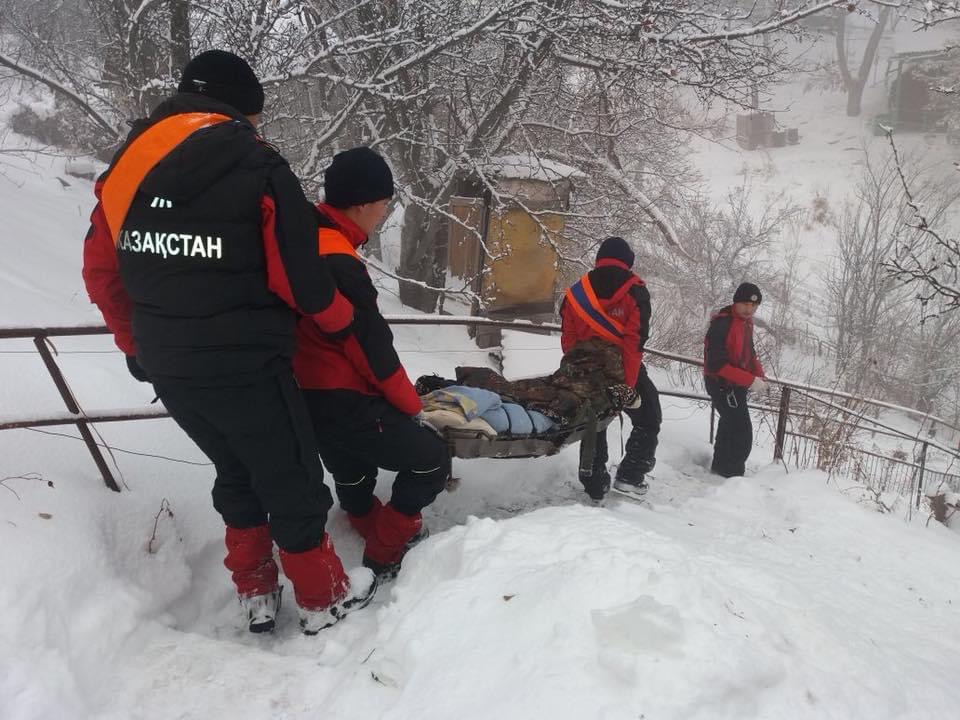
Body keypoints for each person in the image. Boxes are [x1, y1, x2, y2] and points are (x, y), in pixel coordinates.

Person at [82, 50, 376, 636]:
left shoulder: (127, 170)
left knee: (236, 467)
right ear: (245, 111)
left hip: (170, 366)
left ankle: (256, 594)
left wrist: (136, 345)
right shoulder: (257, 164)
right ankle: (323, 600)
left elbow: (101, 271)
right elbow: (299, 278)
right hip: (248, 363)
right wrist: (342, 319)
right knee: (291, 475)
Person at [294, 147, 450, 580]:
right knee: (431, 459)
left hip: (304, 391)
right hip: (341, 392)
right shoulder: (337, 257)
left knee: (349, 460)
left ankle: (363, 518)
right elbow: (369, 345)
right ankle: (384, 550)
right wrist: (409, 403)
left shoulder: (305, 237)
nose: (384, 213)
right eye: (383, 204)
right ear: (361, 203)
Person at [560, 236, 662, 501]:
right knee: (648, 416)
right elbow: (633, 343)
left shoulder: (576, 293)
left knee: (594, 419)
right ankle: (631, 475)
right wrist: (626, 386)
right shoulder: (635, 293)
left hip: (584, 369)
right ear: (628, 262)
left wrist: (579, 370)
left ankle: (594, 482)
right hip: (622, 369)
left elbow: (568, 338)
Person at [703, 282, 768, 478]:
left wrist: (759, 375)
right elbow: (717, 364)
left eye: (754, 306)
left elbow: (750, 352)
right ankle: (732, 476)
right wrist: (750, 381)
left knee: (729, 426)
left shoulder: (745, 323)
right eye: (746, 304)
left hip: (737, 384)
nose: (750, 309)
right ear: (736, 303)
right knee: (742, 433)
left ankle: (720, 471)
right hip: (721, 385)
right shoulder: (722, 324)